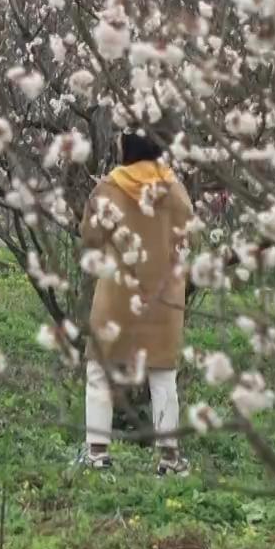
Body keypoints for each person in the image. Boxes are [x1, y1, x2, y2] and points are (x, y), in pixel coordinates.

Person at [78, 131, 194, 475]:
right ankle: (169, 458)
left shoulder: (109, 188)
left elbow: (90, 236)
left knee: (100, 370)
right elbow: (192, 235)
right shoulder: (174, 188)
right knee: (163, 377)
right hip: (163, 297)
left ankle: (97, 453)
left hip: (117, 293)